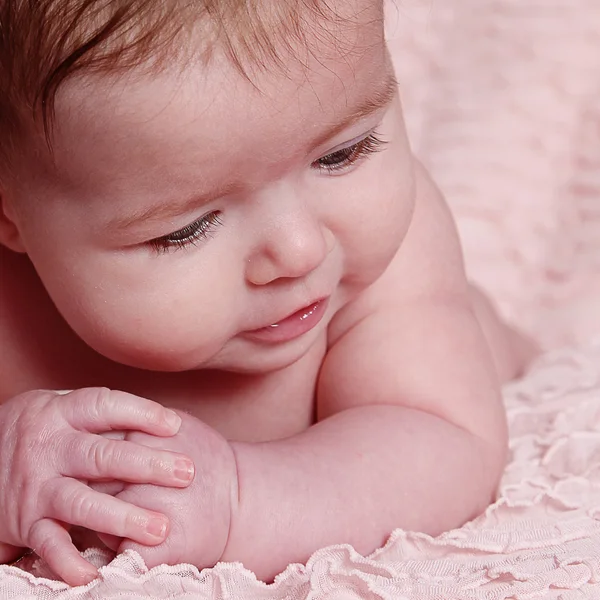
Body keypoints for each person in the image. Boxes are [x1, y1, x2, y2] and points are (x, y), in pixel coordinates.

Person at [0, 0, 534, 587]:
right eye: (188, 228)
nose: (300, 252)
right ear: (10, 210)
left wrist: (241, 496)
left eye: (342, 154)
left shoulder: (393, 261)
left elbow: (447, 444)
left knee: (478, 337)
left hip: (438, 355)